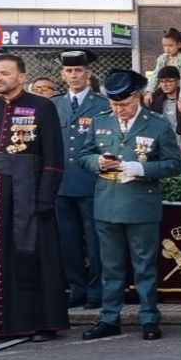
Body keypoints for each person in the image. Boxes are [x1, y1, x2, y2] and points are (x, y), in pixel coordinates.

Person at [73, 70, 181, 342]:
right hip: (107, 202)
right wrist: (97, 163)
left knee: (144, 265)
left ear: (137, 97)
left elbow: (174, 164)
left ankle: (149, 318)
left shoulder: (156, 124)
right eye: (114, 104)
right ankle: (110, 317)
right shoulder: (101, 121)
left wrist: (142, 168)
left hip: (140, 204)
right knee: (110, 265)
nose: (119, 110)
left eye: (124, 104)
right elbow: (84, 155)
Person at [0, 53, 68, 340]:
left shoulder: (42, 107)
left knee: (32, 256)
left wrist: (46, 197)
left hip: (29, 192)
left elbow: (53, 158)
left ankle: (40, 322)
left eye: (4, 73)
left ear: (21, 77)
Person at [53, 50, 112, 310]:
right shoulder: (54, 104)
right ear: (62, 74)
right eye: (69, 71)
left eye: (79, 70)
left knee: (95, 240)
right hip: (62, 184)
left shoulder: (102, 104)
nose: (74, 75)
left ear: (88, 73)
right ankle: (76, 287)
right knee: (68, 240)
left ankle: (96, 290)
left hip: (92, 182)